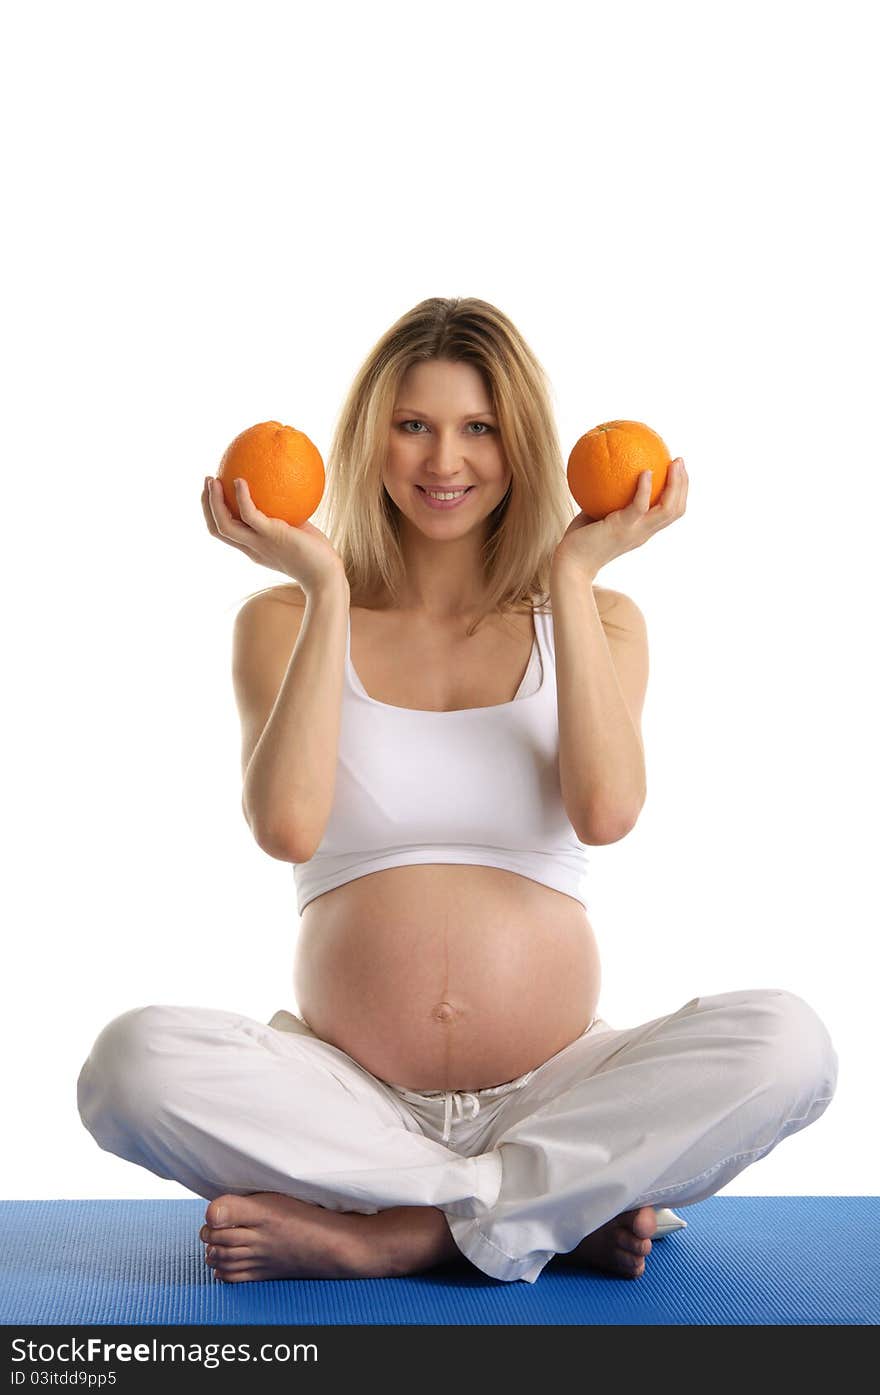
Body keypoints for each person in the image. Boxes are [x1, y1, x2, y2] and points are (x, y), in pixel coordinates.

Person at [77, 297, 838, 1285]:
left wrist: (570, 571)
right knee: (129, 1067)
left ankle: (405, 1233)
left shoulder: (601, 619)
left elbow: (606, 814)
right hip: (346, 1095)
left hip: (557, 1088)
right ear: (369, 442)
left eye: (478, 428)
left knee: (788, 1045)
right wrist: (324, 591)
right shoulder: (284, 614)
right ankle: (547, 1208)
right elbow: (287, 826)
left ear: (520, 443)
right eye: (413, 427)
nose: (445, 462)